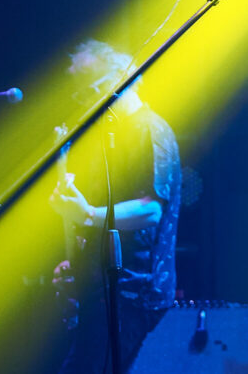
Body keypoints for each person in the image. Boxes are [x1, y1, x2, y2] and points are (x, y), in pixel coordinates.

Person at [49, 40, 181, 374]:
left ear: (114, 82)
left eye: (86, 90)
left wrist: (89, 215)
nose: (81, 101)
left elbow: (151, 210)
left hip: (135, 290)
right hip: (107, 288)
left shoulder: (151, 130)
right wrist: (77, 262)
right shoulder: (108, 139)